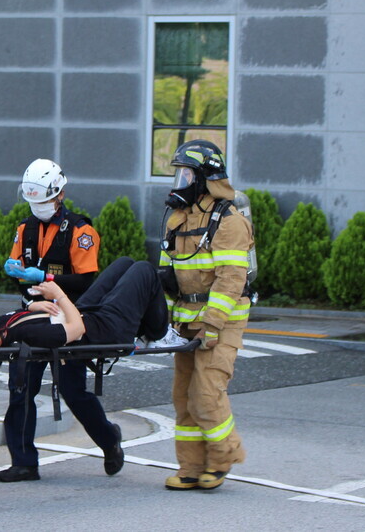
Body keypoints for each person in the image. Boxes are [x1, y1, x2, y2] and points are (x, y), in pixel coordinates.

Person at [0, 158, 118, 484]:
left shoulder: (80, 231)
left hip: (67, 322)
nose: (38, 208)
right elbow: (18, 267)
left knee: (73, 390)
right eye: (33, 201)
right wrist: (16, 272)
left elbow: (87, 281)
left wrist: (47, 277)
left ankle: (109, 440)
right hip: (31, 319)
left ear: (60, 194)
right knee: (21, 387)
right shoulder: (25, 228)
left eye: (44, 201)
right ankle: (24, 462)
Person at [159, 139, 254, 492]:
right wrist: (162, 324)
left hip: (222, 320)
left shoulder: (229, 223)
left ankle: (224, 456)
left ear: (204, 179)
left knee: (206, 395)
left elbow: (232, 280)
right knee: (183, 397)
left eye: (187, 174)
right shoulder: (177, 219)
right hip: (185, 320)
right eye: (179, 173)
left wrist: (212, 325)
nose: (180, 180)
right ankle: (190, 467)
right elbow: (167, 278)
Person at [0, 256, 168, 352]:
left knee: (125, 263)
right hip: (104, 330)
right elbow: (77, 329)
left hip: (81, 314)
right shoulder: (24, 336)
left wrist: (31, 308)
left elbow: (24, 316)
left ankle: (144, 329)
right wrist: (58, 294)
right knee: (144, 270)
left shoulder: (0, 327)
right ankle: (160, 334)